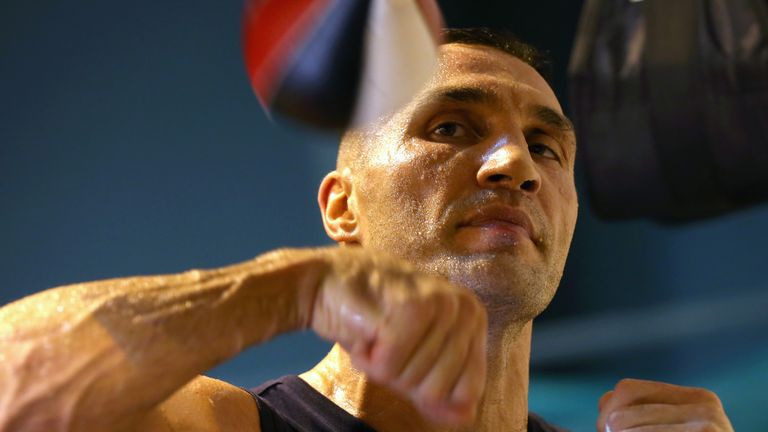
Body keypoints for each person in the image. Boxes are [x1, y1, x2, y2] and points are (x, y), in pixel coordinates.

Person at [0, 28, 734, 432]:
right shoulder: (235, 428)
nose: (517, 164)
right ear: (341, 208)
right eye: (451, 127)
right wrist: (294, 284)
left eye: (546, 146)